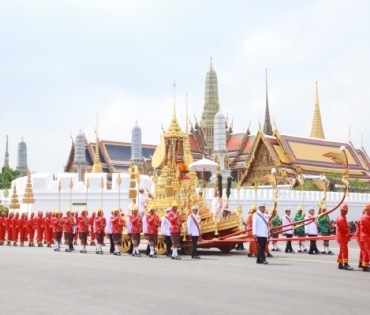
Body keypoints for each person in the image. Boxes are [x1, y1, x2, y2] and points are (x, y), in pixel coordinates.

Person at [335, 204, 353, 270]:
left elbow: (345, 227)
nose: (346, 212)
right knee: (345, 250)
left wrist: (348, 232)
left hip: (342, 236)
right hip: (341, 237)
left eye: (347, 211)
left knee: (342, 250)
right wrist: (348, 233)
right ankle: (345, 264)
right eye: (345, 211)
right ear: (341, 210)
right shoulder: (341, 218)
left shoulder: (343, 217)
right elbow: (344, 229)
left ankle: (340, 264)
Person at [360, 204, 370, 272]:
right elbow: (369, 227)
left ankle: (365, 266)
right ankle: (365, 266)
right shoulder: (365, 217)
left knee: (366, 251)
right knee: (368, 251)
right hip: (366, 237)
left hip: (366, 236)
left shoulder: (366, 216)